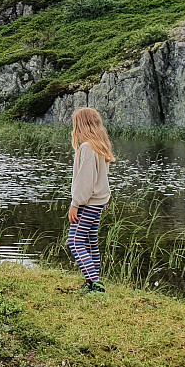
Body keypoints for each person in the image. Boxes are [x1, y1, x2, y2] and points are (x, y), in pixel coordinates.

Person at [67, 107, 115, 293]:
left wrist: (75, 204)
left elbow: (85, 181)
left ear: (81, 126)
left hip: (87, 203)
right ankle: (93, 281)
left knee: (75, 241)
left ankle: (95, 283)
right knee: (90, 241)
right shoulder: (99, 145)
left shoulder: (87, 148)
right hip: (98, 202)